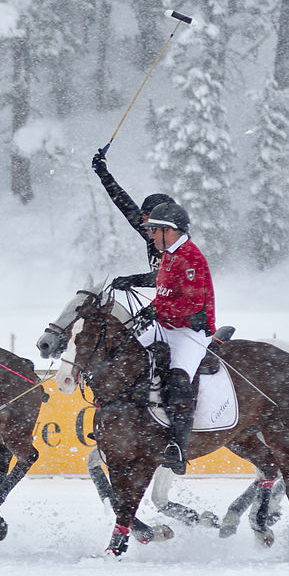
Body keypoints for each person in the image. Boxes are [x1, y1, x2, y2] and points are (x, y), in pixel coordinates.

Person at [133, 202, 215, 475]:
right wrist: (151, 308)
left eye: (154, 230)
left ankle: (179, 449)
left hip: (189, 332)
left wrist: (158, 309)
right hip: (165, 326)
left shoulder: (191, 257)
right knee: (127, 355)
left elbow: (191, 303)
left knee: (178, 381)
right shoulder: (168, 254)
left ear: (170, 230)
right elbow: (166, 294)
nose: (151, 235)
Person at [90, 148, 176, 290]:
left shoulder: (178, 245)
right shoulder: (153, 235)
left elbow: (167, 278)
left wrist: (132, 280)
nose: (144, 225)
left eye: (148, 220)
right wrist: (103, 174)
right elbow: (125, 204)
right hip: (165, 303)